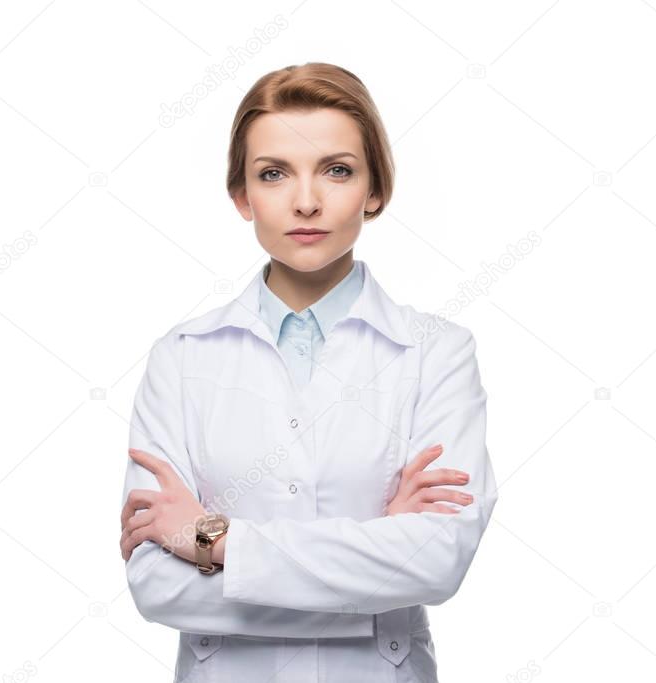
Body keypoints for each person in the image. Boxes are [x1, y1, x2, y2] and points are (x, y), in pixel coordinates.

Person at [118, 62, 498, 682]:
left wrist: (212, 542)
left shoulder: (439, 353)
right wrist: (374, 577)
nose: (306, 201)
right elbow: (157, 586)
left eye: (337, 170)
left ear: (376, 190)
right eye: (273, 174)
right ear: (242, 196)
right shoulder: (181, 357)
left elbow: (436, 561)